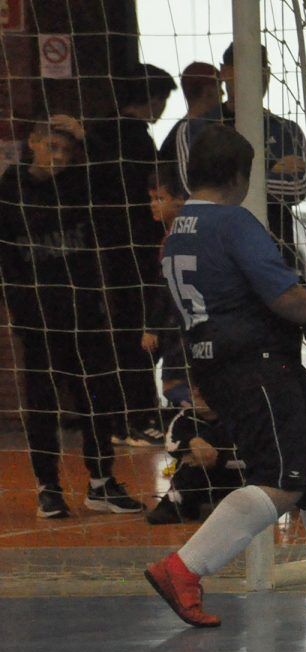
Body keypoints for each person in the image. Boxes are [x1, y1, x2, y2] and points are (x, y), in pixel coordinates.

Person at [144, 124, 306, 628]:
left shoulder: (176, 231)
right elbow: (283, 294)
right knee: (280, 481)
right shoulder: (233, 222)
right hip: (254, 365)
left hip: (224, 365)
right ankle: (184, 567)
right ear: (241, 175)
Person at [0, 116, 141, 519]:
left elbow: (119, 176)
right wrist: (18, 304)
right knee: (42, 405)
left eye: (66, 150)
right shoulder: (9, 191)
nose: (59, 157)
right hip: (38, 319)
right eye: (52, 147)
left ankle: (100, 482)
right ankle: (48, 487)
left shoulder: (80, 185)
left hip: (84, 314)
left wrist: (86, 137)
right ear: (33, 143)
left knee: (97, 398)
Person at [90, 63, 178, 447]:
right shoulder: (135, 140)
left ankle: (123, 414)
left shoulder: (99, 133)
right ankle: (136, 416)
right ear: (153, 100)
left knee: (128, 330)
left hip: (107, 247)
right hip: (134, 249)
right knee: (142, 332)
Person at [177, 43, 306, 272]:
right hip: (216, 256)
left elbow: (297, 188)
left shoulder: (287, 130)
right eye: (249, 68)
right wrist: (271, 169)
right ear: (225, 72)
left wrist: (223, 180)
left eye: (264, 69)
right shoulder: (194, 129)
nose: (260, 76)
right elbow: (193, 191)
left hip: (276, 253)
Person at [146, 387, 245, 525]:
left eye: (204, 395)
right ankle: (174, 502)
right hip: (199, 471)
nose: (197, 396)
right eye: (195, 395)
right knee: (188, 463)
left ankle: (243, 504)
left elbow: (252, 453)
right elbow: (171, 444)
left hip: (235, 474)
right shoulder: (184, 417)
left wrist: (219, 458)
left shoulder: (239, 416)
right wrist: (192, 443)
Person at [141, 165, 192, 409]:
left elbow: (167, 285)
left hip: (181, 325)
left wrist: (152, 327)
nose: (153, 204)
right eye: (152, 199)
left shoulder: (178, 237)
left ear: (180, 200)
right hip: (180, 323)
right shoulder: (174, 233)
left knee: (175, 385)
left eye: (160, 198)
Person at [158, 62, 222, 167]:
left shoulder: (181, 129)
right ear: (208, 91)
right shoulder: (190, 130)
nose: (223, 92)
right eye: (219, 86)